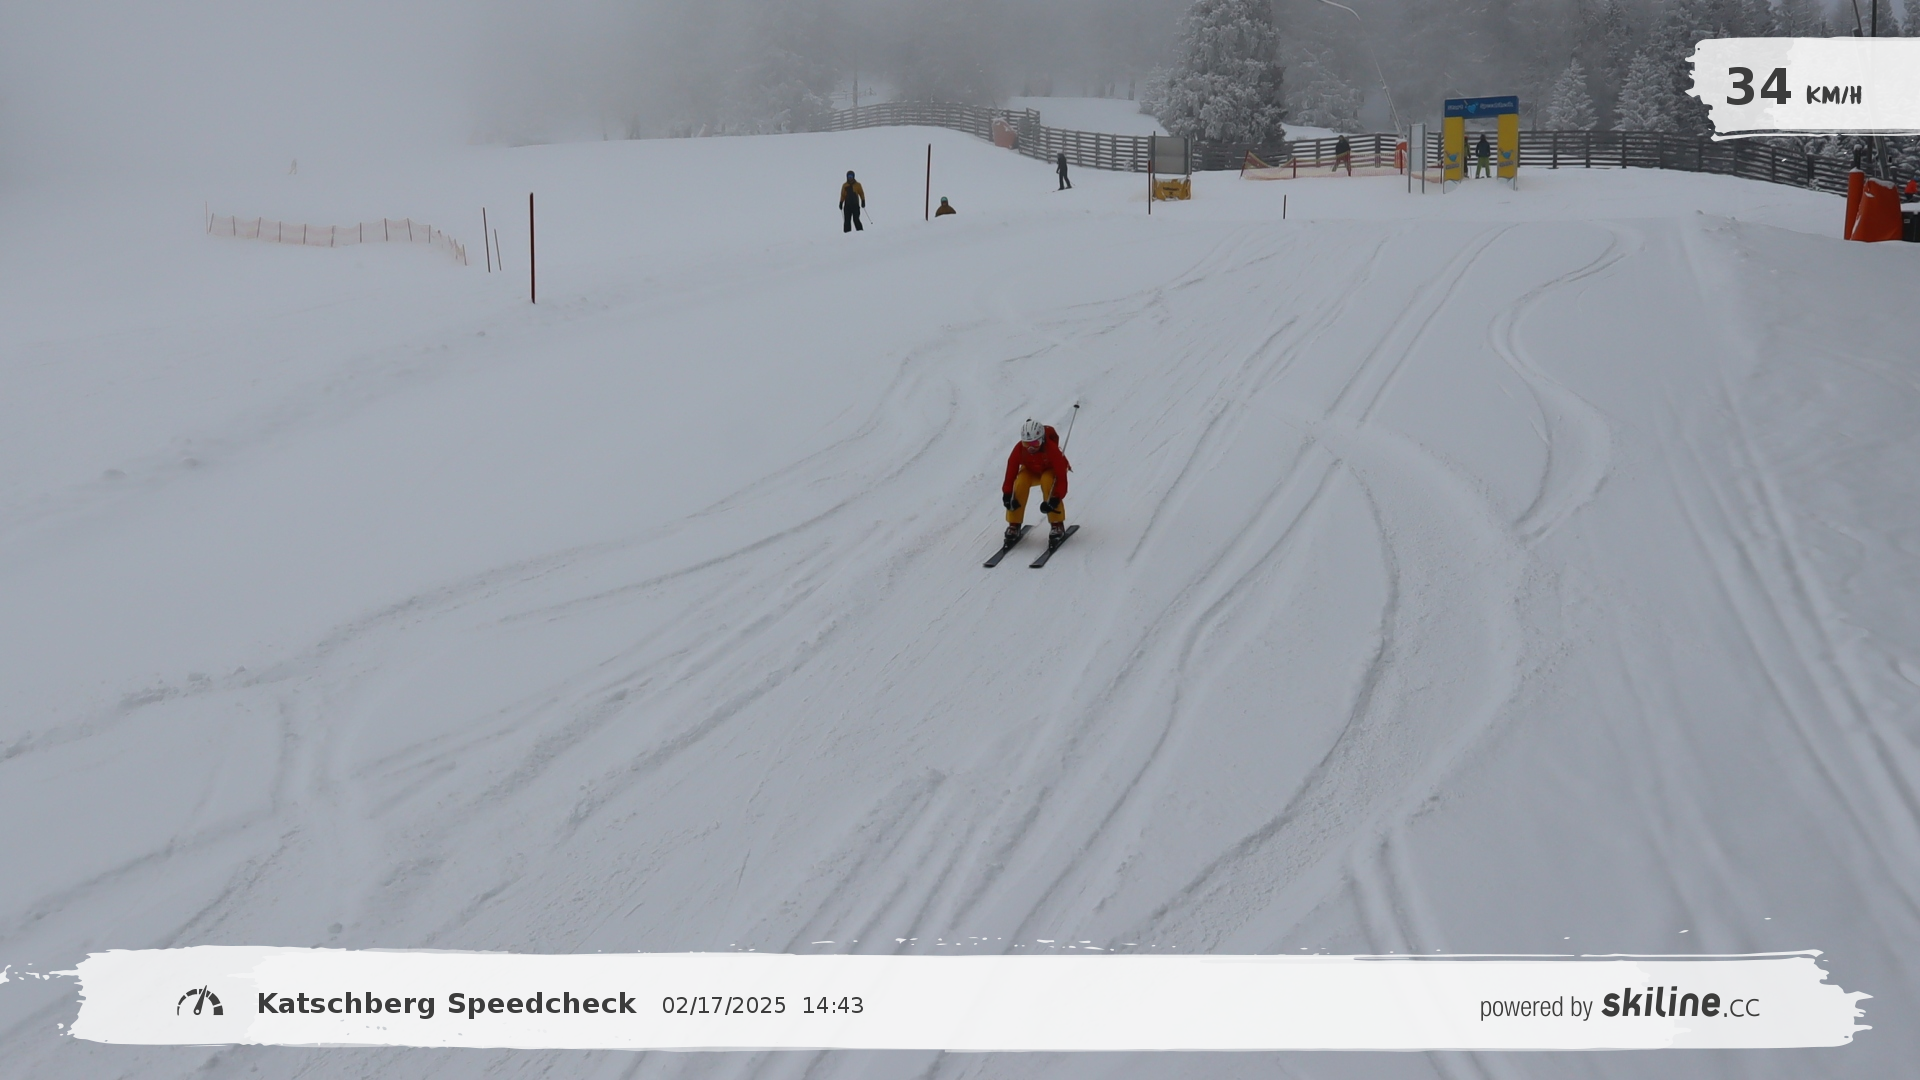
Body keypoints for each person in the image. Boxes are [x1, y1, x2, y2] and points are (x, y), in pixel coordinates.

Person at [1002, 418, 1071, 544]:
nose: (1030, 448)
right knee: (1021, 481)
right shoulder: (1019, 449)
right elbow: (1011, 472)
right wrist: (1007, 494)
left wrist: (1055, 499)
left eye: (1035, 443)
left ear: (1042, 439)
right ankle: (1014, 524)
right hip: (1031, 469)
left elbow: (1062, 479)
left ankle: (1057, 524)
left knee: (1047, 481)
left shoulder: (1052, 450)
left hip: (1050, 470)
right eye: (1026, 443)